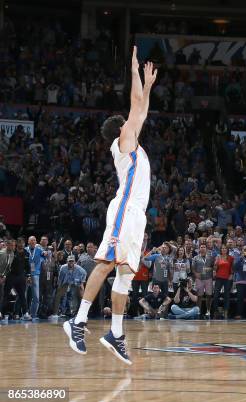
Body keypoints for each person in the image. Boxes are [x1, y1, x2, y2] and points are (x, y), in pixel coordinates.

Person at [64, 47, 157, 365]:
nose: (134, 123)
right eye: (128, 124)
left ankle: (115, 333)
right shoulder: (123, 143)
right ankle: (77, 322)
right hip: (125, 211)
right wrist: (133, 74)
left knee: (125, 276)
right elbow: (135, 109)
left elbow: (140, 111)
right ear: (121, 130)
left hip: (137, 216)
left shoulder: (133, 143)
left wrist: (147, 86)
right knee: (104, 264)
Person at [192, 243, 214, 318]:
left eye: (204, 247)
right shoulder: (195, 258)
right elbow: (193, 268)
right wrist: (196, 274)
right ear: (199, 249)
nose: (203, 248)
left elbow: (214, 267)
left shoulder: (210, 257)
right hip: (199, 279)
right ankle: (198, 311)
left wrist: (210, 269)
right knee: (199, 296)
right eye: (201, 247)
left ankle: (208, 311)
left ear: (206, 249)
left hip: (208, 278)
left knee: (209, 295)